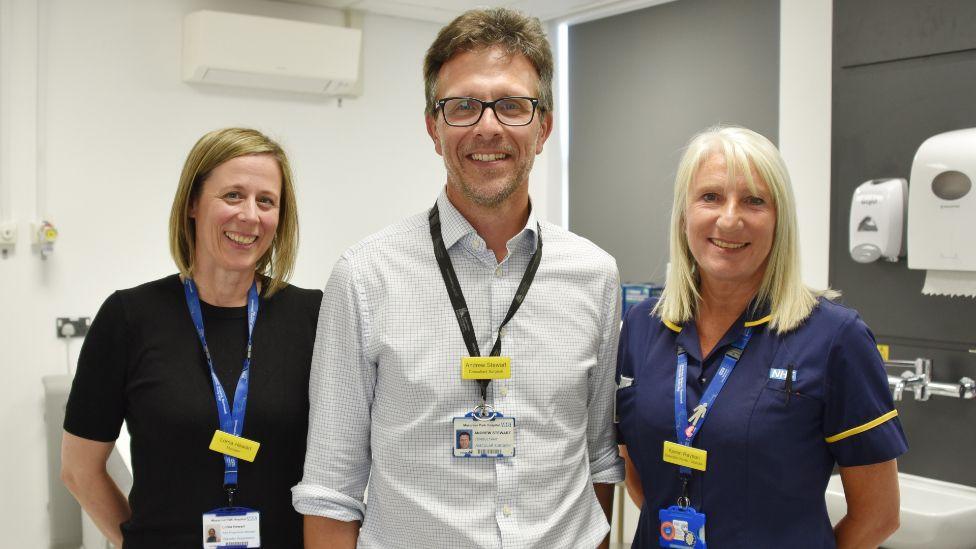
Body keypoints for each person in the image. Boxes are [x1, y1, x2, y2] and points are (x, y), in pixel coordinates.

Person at [293, 8, 622, 548]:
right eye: (463, 106)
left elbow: (598, 461)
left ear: (543, 128)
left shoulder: (595, 276)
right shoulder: (364, 277)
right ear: (433, 127)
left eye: (513, 106)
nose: (487, 126)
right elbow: (331, 488)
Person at [615, 126, 908, 548]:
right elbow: (643, 481)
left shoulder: (834, 338)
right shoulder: (643, 326)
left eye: (754, 201)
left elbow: (879, 515)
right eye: (710, 197)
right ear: (684, 217)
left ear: (779, 221)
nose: (730, 218)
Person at [61, 128, 322, 548]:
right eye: (233, 195)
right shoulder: (130, 317)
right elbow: (79, 469)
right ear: (193, 205)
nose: (250, 215)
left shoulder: (312, 316)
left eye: (266, 201)